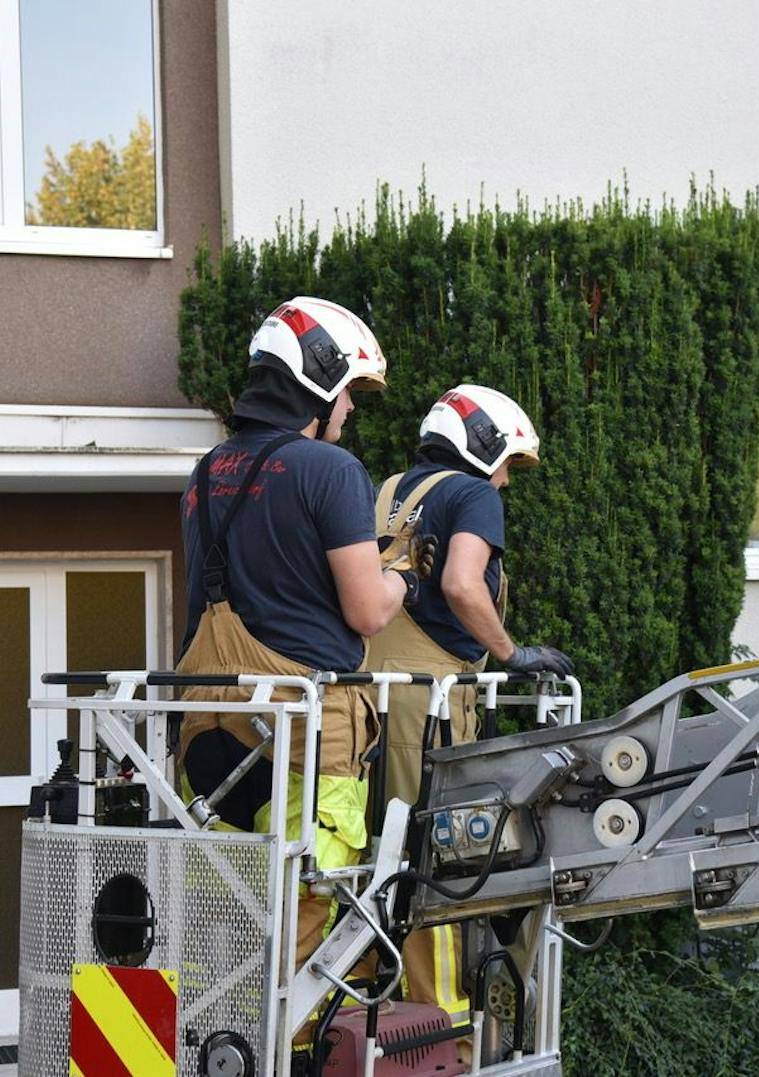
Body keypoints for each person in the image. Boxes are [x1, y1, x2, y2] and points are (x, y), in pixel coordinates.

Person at [174, 296, 422, 968]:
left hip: (205, 719)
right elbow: (368, 612)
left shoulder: (203, 474)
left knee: (223, 900)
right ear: (316, 382)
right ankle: (285, 1046)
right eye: (348, 394)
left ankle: (211, 1040)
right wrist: (403, 573)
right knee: (305, 900)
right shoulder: (330, 470)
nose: (350, 409)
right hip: (304, 726)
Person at [365, 383, 575, 1027]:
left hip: (364, 697)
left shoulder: (391, 490)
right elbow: (460, 583)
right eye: (508, 460)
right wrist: (513, 655)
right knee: (438, 864)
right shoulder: (473, 493)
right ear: (482, 446)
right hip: (429, 703)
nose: (507, 480)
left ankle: (371, 1012)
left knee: (375, 856)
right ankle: (441, 1028)